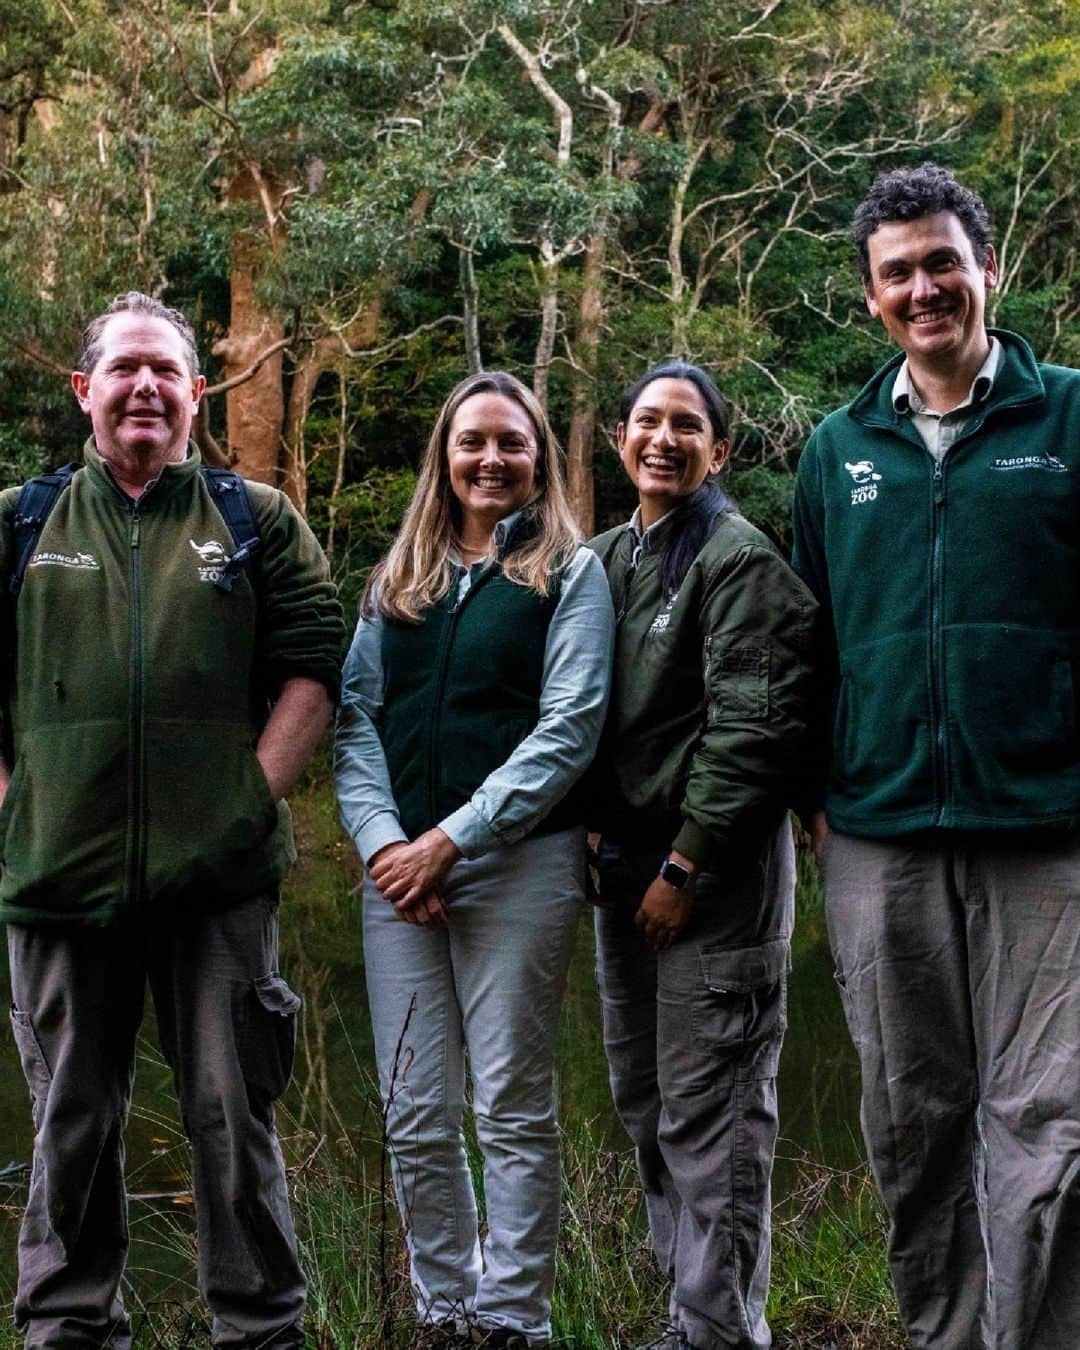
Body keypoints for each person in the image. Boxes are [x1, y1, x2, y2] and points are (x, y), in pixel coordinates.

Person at [0, 291, 345, 1348]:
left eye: (167, 372)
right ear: (85, 391)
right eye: (124, 369)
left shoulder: (255, 519)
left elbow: (315, 661)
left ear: (196, 394)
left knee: (232, 1123)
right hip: (60, 884)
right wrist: (15, 814)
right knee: (72, 1128)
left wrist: (250, 799)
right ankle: (67, 1329)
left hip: (219, 885)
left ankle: (258, 1330)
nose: (145, 387)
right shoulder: (21, 522)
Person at [791, 162, 1080, 1349]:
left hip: (1050, 833)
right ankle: (947, 1337)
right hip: (879, 835)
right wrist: (817, 803)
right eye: (897, 273)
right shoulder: (835, 449)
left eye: (941, 264)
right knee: (912, 1120)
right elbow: (808, 642)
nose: (924, 289)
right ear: (871, 297)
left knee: (1052, 1125)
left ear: (987, 270)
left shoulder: (1069, 418)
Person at [334, 369, 614, 1348]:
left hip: (517, 865)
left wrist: (454, 839)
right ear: (444, 458)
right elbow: (356, 724)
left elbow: (569, 728)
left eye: (511, 442)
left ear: (538, 456)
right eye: (472, 443)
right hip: (398, 881)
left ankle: (513, 1318)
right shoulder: (395, 582)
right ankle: (445, 1309)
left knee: (508, 1101)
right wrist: (387, 849)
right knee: (414, 1105)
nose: (491, 459)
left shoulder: (569, 576)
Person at [587, 362, 818, 1350]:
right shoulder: (606, 559)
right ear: (621, 439)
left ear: (719, 450)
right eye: (647, 420)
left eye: (688, 426)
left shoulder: (739, 559)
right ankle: (693, 1325)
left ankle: (722, 1334)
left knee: (712, 1121)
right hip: (623, 882)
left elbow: (751, 733)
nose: (664, 439)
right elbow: (578, 718)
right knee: (647, 1108)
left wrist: (684, 868)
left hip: (709, 885)